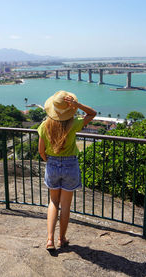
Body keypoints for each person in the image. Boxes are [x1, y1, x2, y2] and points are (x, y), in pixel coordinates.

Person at [37, 90, 97, 250]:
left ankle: (49, 239)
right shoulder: (74, 123)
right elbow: (92, 114)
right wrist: (77, 105)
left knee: (53, 202)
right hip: (71, 165)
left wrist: (47, 161)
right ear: (69, 109)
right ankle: (61, 238)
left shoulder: (44, 125)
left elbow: (41, 150)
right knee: (65, 205)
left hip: (52, 165)